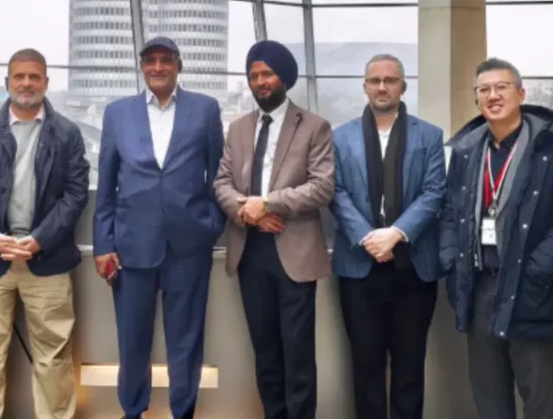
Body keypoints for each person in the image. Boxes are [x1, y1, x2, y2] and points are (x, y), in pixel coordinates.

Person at [93, 36, 225, 419]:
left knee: (186, 341)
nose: (158, 67)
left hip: (189, 246)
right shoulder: (117, 113)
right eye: (150, 60)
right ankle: (133, 411)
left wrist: (210, 226)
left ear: (178, 65)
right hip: (131, 247)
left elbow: (218, 174)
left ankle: (182, 412)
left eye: (166, 60)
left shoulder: (204, 109)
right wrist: (103, 243)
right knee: (132, 340)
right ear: (141, 67)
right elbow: (106, 184)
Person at [0, 48, 89, 419]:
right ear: (7, 82)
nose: (27, 83)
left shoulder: (67, 133)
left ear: (46, 82)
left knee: (54, 358)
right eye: (19, 76)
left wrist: (41, 239)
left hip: (46, 258)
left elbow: (76, 193)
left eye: (34, 77)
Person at [213, 40, 334, 419]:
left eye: (267, 74)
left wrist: (267, 203)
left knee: (298, 352)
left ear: (284, 77)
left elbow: (322, 187)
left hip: (294, 252)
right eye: (253, 76)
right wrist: (249, 213)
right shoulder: (238, 128)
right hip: (251, 251)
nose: (260, 82)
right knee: (265, 351)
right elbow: (221, 183)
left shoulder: (314, 126)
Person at [329, 54, 446, 419]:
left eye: (390, 80)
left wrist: (395, 234)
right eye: (375, 80)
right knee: (365, 366)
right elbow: (336, 192)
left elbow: (434, 192)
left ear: (402, 86)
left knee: (410, 367)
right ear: (364, 86)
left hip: (413, 267)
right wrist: (368, 238)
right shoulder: (340, 137)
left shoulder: (429, 135)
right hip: (359, 266)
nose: (382, 87)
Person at [440, 57, 553, 419]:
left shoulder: (547, 148)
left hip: (533, 288)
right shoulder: (467, 151)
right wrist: (450, 258)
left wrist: (537, 269)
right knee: (489, 392)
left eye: (501, 87)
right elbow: (449, 209)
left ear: (521, 94)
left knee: (540, 394)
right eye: (484, 90)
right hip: (481, 286)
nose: (492, 96)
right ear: (477, 99)